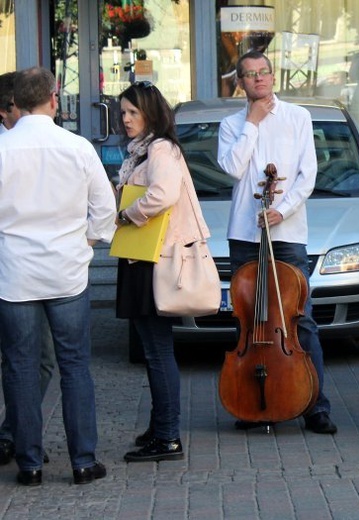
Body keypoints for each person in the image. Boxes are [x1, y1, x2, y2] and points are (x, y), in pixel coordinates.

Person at [0, 66, 116, 485]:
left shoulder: (3, 148)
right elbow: (105, 211)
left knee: (19, 368)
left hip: (15, 273)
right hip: (66, 272)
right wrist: (87, 241)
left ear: (16, 101)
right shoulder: (78, 147)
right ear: (54, 99)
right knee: (74, 366)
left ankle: (29, 464)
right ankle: (83, 460)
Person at [217, 50, 337, 435]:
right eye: (249, 74)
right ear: (241, 82)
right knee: (249, 323)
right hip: (244, 233)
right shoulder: (231, 124)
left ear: (273, 75)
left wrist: (281, 210)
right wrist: (251, 124)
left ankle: (315, 406)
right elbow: (234, 169)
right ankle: (251, 402)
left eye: (264, 72)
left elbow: (307, 174)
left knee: (300, 323)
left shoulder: (298, 117)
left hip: (286, 234)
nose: (259, 79)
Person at [114, 80, 210, 462]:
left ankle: (168, 436)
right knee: (154, 349)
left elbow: (162, 195)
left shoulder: (160, 149)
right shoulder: (142, 152)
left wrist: (127, 214)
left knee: (157, 351)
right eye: (122, 112)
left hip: (157, 262)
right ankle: (160, 427)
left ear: (151, 114)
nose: (125, 119)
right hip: (143, 259)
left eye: (133, 113)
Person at [0, 72, 57, 468]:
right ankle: (18, 441)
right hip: (19, 271)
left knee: (28, 361)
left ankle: (15, 437)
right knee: (35, 361)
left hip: (18, 270)